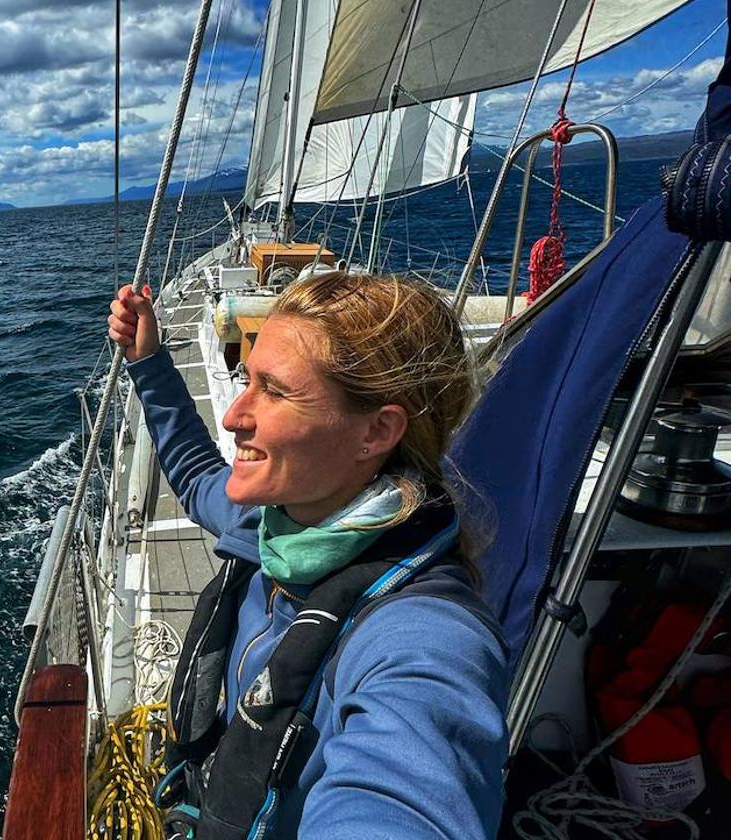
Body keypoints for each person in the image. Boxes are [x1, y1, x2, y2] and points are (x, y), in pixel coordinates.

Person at [107, 272, 509, 839]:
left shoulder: (424, 637)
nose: (233, 415)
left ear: (376, 431)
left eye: (274, 390)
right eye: (246, 380)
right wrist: (147, 360)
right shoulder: (278, 521)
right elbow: (198, 475)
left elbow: (405, 796)